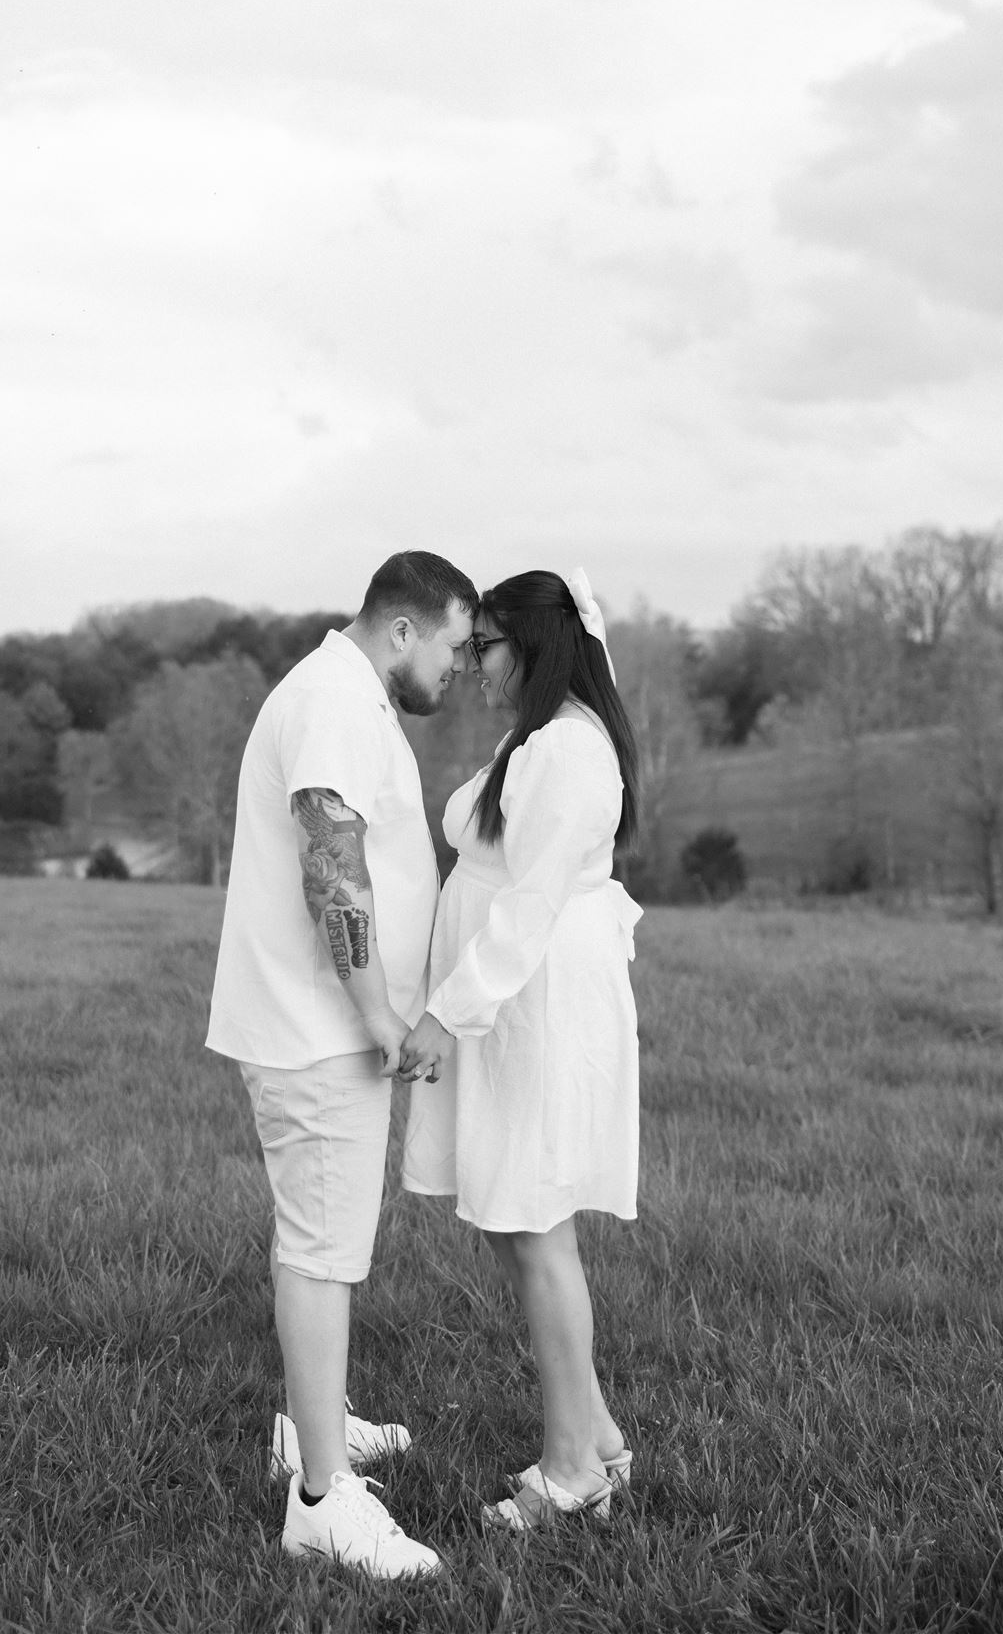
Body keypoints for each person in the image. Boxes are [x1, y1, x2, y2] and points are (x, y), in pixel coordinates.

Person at [205, 550, 476, 1577]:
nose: (456, 668)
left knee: (323, 1238)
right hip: (320, 1029)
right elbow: (334, 857)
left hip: (322, 1025)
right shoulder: (331, 697)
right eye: (453, 644)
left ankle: (310, 1422)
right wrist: (376, 1011)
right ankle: (320, 1497)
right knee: (323, 1252)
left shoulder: (349, 696)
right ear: (402, 628)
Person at [398, 567, 642, 1530]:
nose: (471, 662)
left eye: (486, 645)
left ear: (533, 649)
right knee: (511, 1218)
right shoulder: (536, 742)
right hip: (512, 1004)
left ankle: (571, 1468)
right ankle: (601, 1439)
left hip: (532, 1003)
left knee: (536, 1226)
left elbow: (527, 911)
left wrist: (444, 1014)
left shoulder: (571, 754)